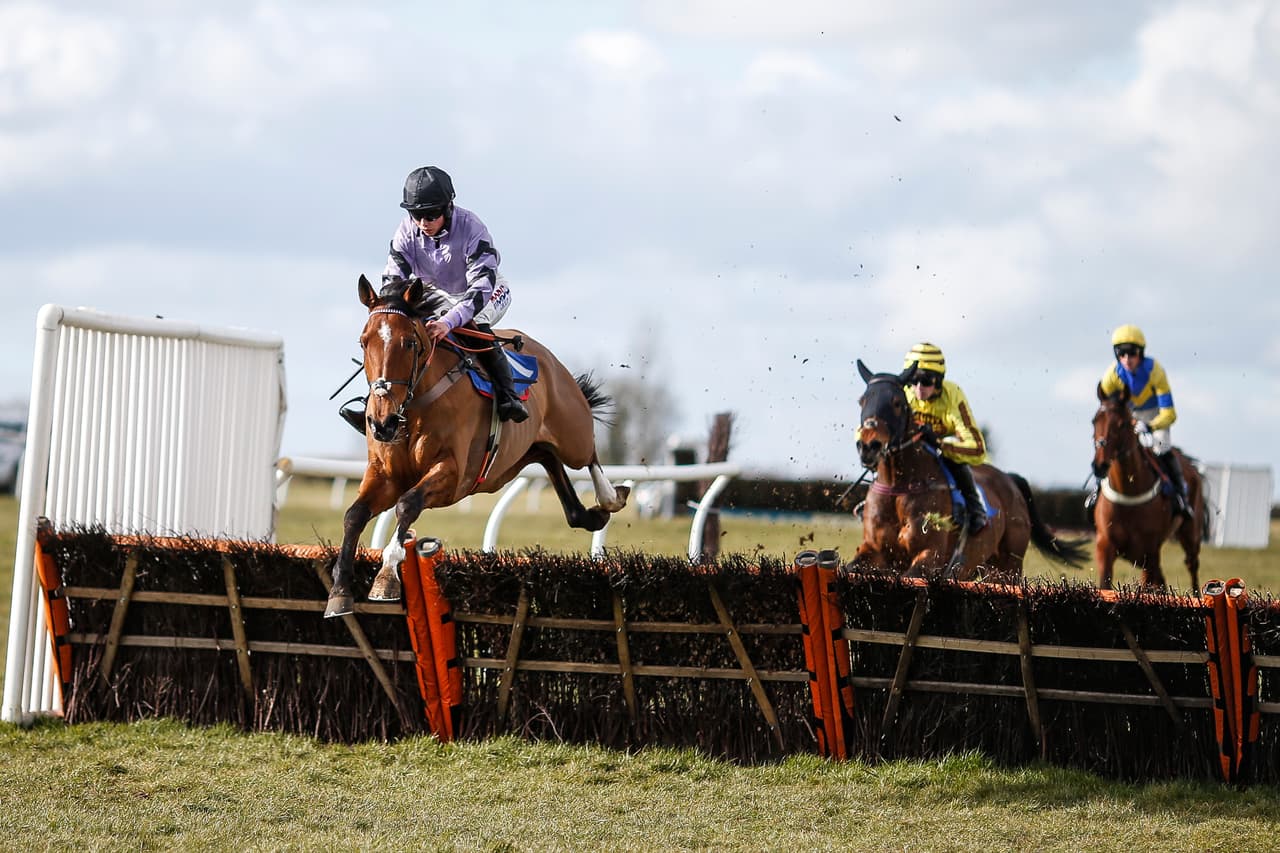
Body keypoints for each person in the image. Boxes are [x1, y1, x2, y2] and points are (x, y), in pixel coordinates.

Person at [341, 165, 528, 434]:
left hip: (484, 291)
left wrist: (448, 323)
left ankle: (508, 395)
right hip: (435, 294)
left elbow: (479, 290)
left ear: (448, 207)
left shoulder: (472, 228)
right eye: (416, 215)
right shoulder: (405, 233)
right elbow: (392, 284)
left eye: (431, 215)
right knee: (392, 338)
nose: (423, 223)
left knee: (474, 325)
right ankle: (374, 403)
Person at [1098, 324, 1190, 519]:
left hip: (1156, 416)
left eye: (1132, 353)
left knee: (1161, 447)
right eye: (1121, 354)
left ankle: (1181, 495)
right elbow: (1107, 411)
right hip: (1129, 418)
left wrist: (1149, 425)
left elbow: (1170, 414)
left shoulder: (1155, 371)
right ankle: (1097, 491)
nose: (1127, 359)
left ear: (1141, 353)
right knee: (1110, 448)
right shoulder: (1111, 376)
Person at [901, 342, 990, 534]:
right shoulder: (904, 394)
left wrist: (940, 443)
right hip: (912, 450)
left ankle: (975, 509)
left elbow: (977, 448)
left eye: (925, 381)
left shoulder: (953, 395)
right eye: (913, 381)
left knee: (950, 455)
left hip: (944, 448)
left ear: (938, 380)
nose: (918, 388)